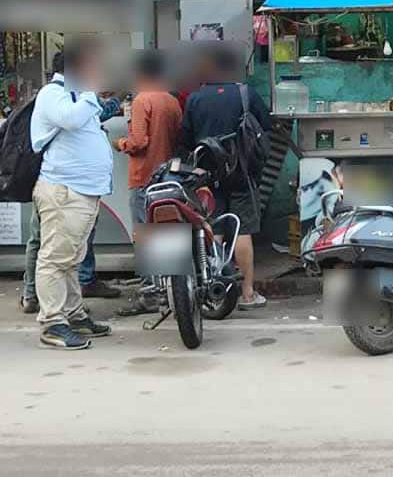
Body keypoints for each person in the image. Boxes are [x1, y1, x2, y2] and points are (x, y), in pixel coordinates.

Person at [30, 40, 114, 349]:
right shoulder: (53, 95)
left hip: (82, 192)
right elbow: (71, 120)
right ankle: (53, 322)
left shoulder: (77, 96)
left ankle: (74, 314)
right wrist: (93, 92)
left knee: (72, 259)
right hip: (64, 191)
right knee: (55, 258)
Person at [180, 44, 271, 310]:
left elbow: (185, 139)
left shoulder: (195, 98)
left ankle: (216, 292)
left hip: (208, 175)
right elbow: (265, 126)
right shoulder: (245, 93)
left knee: (214, 231)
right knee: (242, 231)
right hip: (242, 172)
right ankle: (247, 294)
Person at [114, 49, 184, 316]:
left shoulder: (143, 100)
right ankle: (173, 297)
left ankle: (150, 296)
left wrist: (120, 143)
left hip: (144, 176)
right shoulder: (171, 100)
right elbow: (178, 137)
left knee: (144, 236)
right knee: (168, 235)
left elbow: (139, 142)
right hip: (168, 177)